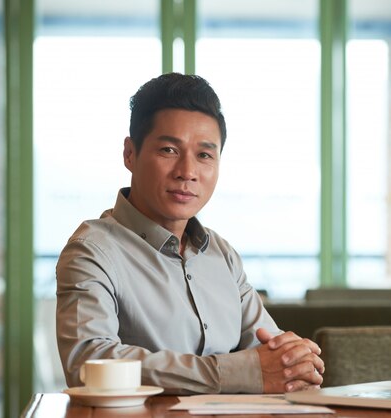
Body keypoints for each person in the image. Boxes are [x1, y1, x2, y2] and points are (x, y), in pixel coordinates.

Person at [55, 72, 324, 394]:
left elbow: (272, 356)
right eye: (169, 150)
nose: (188, 172)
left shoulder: (221, 254)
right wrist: (236, 372)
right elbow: (88, 362)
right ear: (130, 154)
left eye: (205, 155)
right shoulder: (92, 251)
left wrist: (295, 361)